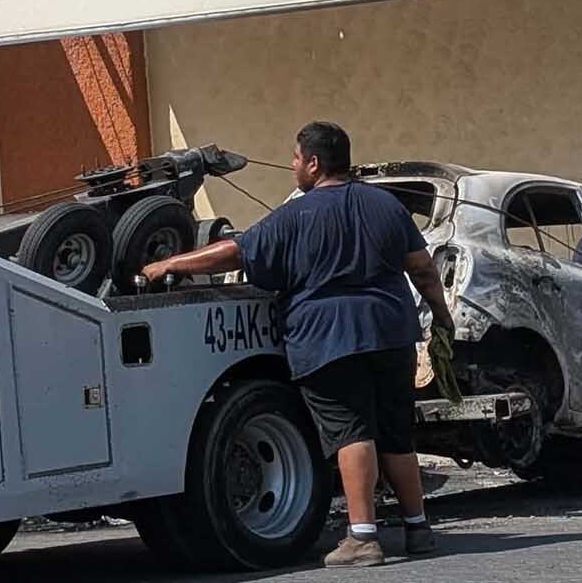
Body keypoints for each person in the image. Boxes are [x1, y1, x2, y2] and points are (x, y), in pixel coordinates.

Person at [140, 121, 455, 568]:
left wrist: (167, 264)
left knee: (353, 432)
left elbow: (234, 252)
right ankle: (418, 528)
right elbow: (422, 269)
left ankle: (363, 537)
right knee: (396, 433)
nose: (292, 167)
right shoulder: (386, 206)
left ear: (313, 162)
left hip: (328, 338)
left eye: (294, 158)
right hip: (391, 333)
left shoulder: (295, 215)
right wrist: (440, 317)